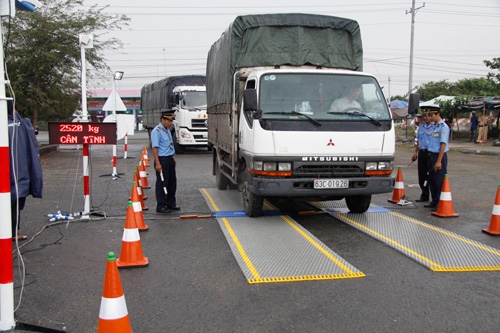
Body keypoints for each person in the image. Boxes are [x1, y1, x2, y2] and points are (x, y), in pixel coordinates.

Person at [8, 105, 43, 240]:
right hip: (18, 173)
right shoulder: (22, 125)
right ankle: (13, 233)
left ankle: (12, 232)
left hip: (12, 172)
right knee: (14, 202)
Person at [151, 110, 180, 213]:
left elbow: (169, 146)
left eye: (171, 120)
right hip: (162, 159)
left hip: (169, 158)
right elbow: (155, 148)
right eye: (168, 120)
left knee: (172, 182)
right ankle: (161, 205)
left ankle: (171, 203)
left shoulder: (167, 130)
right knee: (162, 183)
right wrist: (157, 163)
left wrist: (172, 158)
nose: (170, 123)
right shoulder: (157, 131)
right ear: (162, 119)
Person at [424, 107, 449, 211]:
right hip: (431, 156)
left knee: (439, 181)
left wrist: (439, 161)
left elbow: (443, 144)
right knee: (432, 180)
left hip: (439, 156)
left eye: (431, 115)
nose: (430, 117)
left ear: (437, 114)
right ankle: (434, 201)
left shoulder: (443, 127)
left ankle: (440, 202)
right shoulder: (434, 127)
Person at [411, 111, 433, 202]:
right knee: (422, 175)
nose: (425, 118)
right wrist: (415, 153)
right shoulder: (421, 127)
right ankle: (424, 195)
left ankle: (435, 198)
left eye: (428, 116)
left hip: (431, 153)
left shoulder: (435, 127)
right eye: (424, 116)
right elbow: (418, 141)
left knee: (431, 176)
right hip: (422, 153)